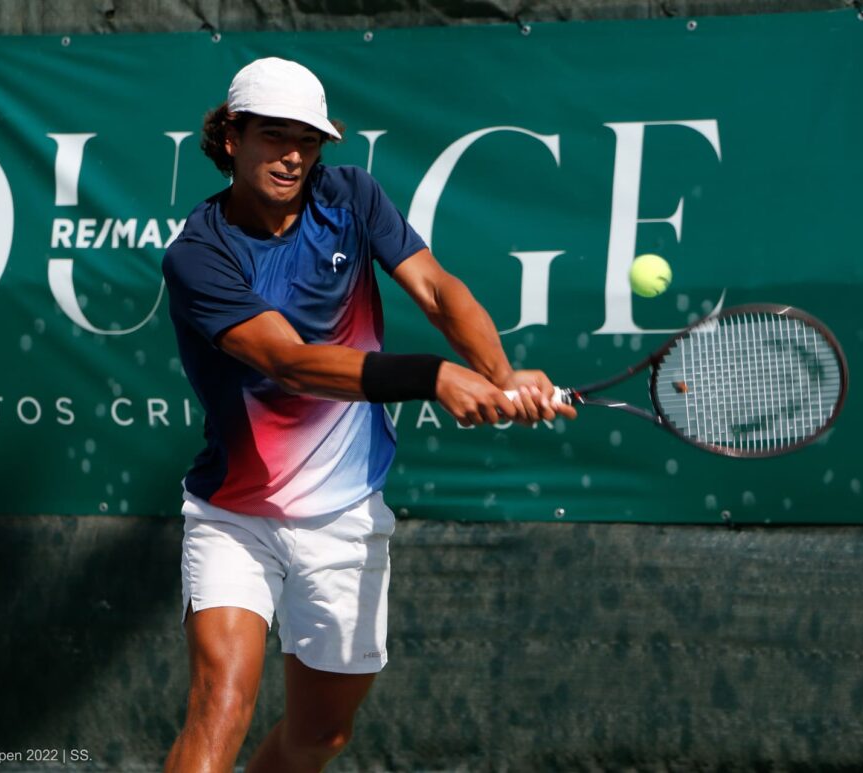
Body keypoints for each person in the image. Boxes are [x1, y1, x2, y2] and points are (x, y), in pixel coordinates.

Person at [160, 57, 577, 773]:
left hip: (345, 515)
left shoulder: (350, 196)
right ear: (231, 136)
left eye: (309, 140)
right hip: (235, 514)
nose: (293, 156)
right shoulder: (198, 256)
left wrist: (500, 377)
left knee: (320, 734)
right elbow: (289, 361)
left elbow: (438, 291)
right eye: (274, 136)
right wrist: (432, 376)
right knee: (220, 708)